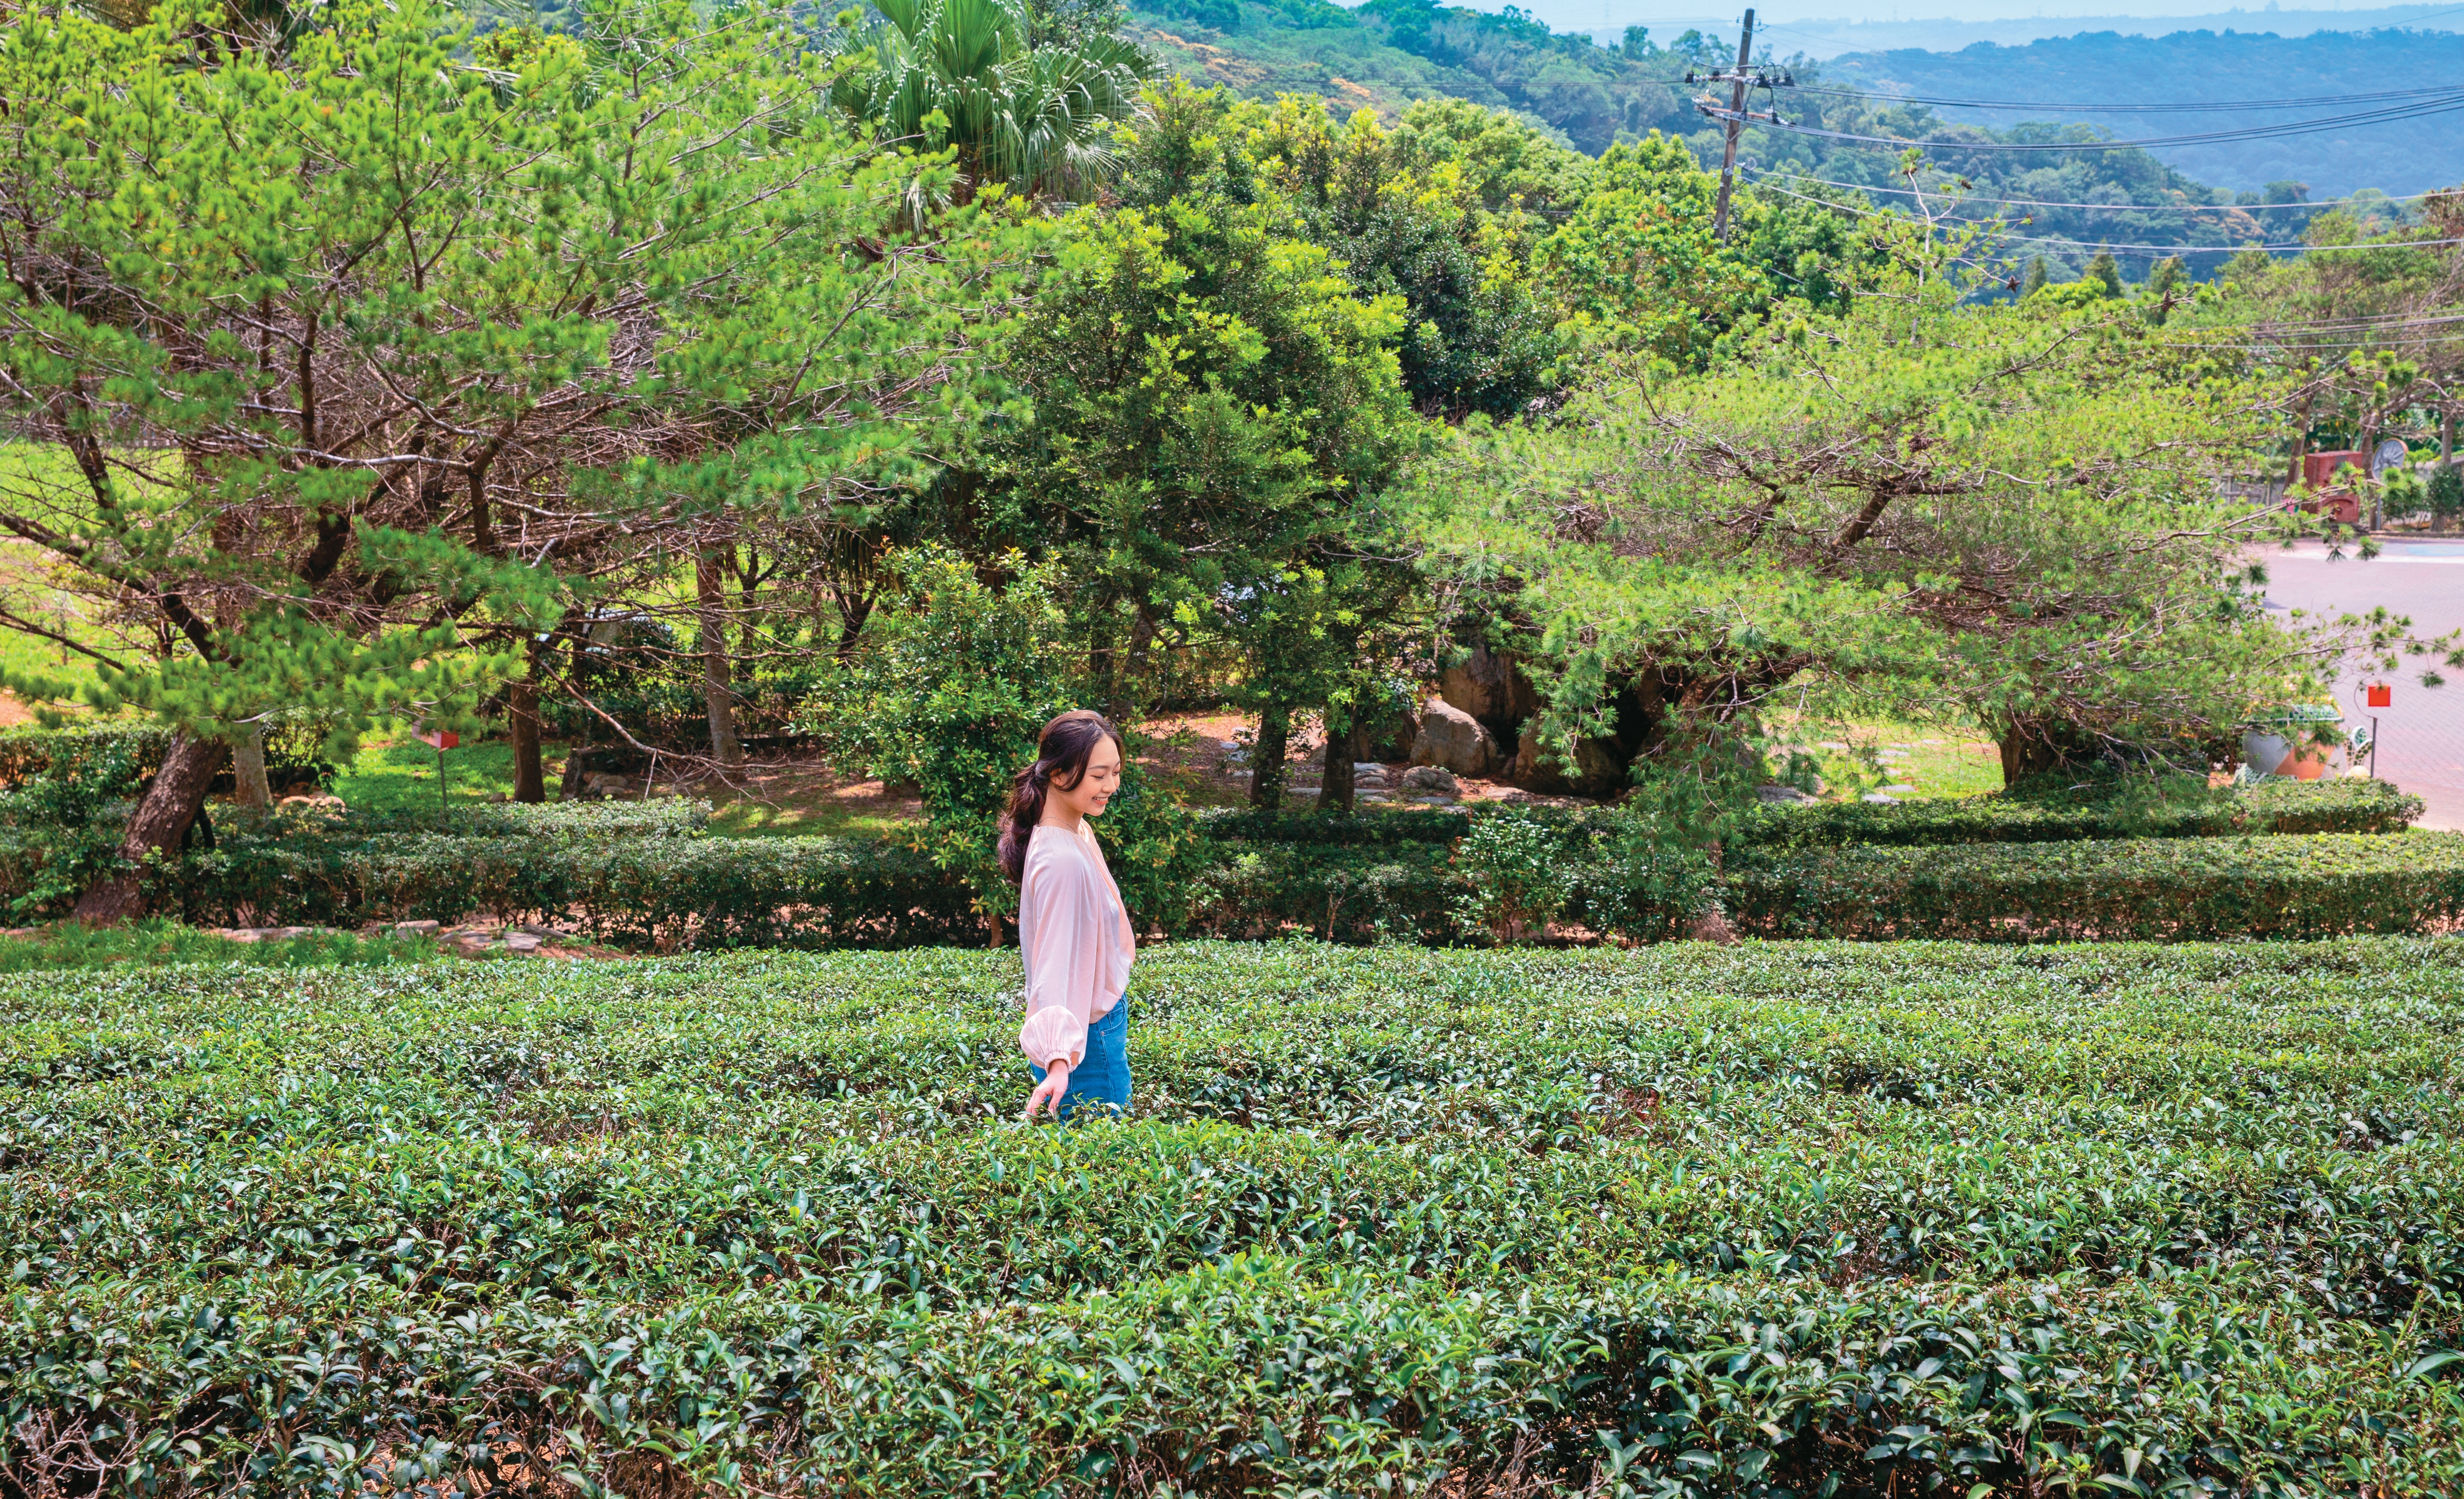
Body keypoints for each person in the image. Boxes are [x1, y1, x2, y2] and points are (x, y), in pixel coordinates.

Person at [1002, 709, 1136, 1123]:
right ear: (1059, 775)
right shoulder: (1062, 859)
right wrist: (1059, 1058)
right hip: (1086, 1041)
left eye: (1115, 773)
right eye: (1099, 775)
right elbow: (1053, 963)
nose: (1111, 786)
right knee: (1103, 1170)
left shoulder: (1075, 831)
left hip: (1090, 1028)